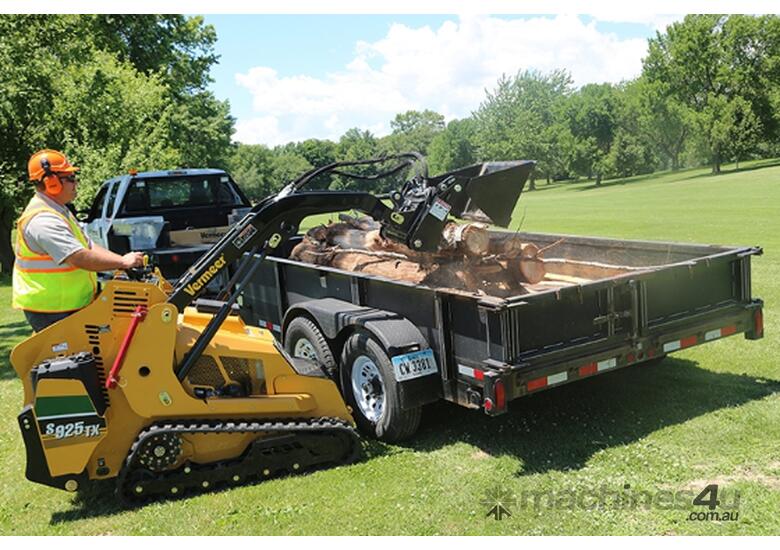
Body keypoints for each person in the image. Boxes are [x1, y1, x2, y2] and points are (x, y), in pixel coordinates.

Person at [12, 149, 145, 332]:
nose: (76, 183)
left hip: (68, 307)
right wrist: (122, 261)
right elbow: (78, 256)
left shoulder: (59, 211)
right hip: (52, 310)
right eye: (70, 178)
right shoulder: (43, 220)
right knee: (70, 360)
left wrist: (121, 264)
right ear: (51, 182)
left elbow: (88, 245)